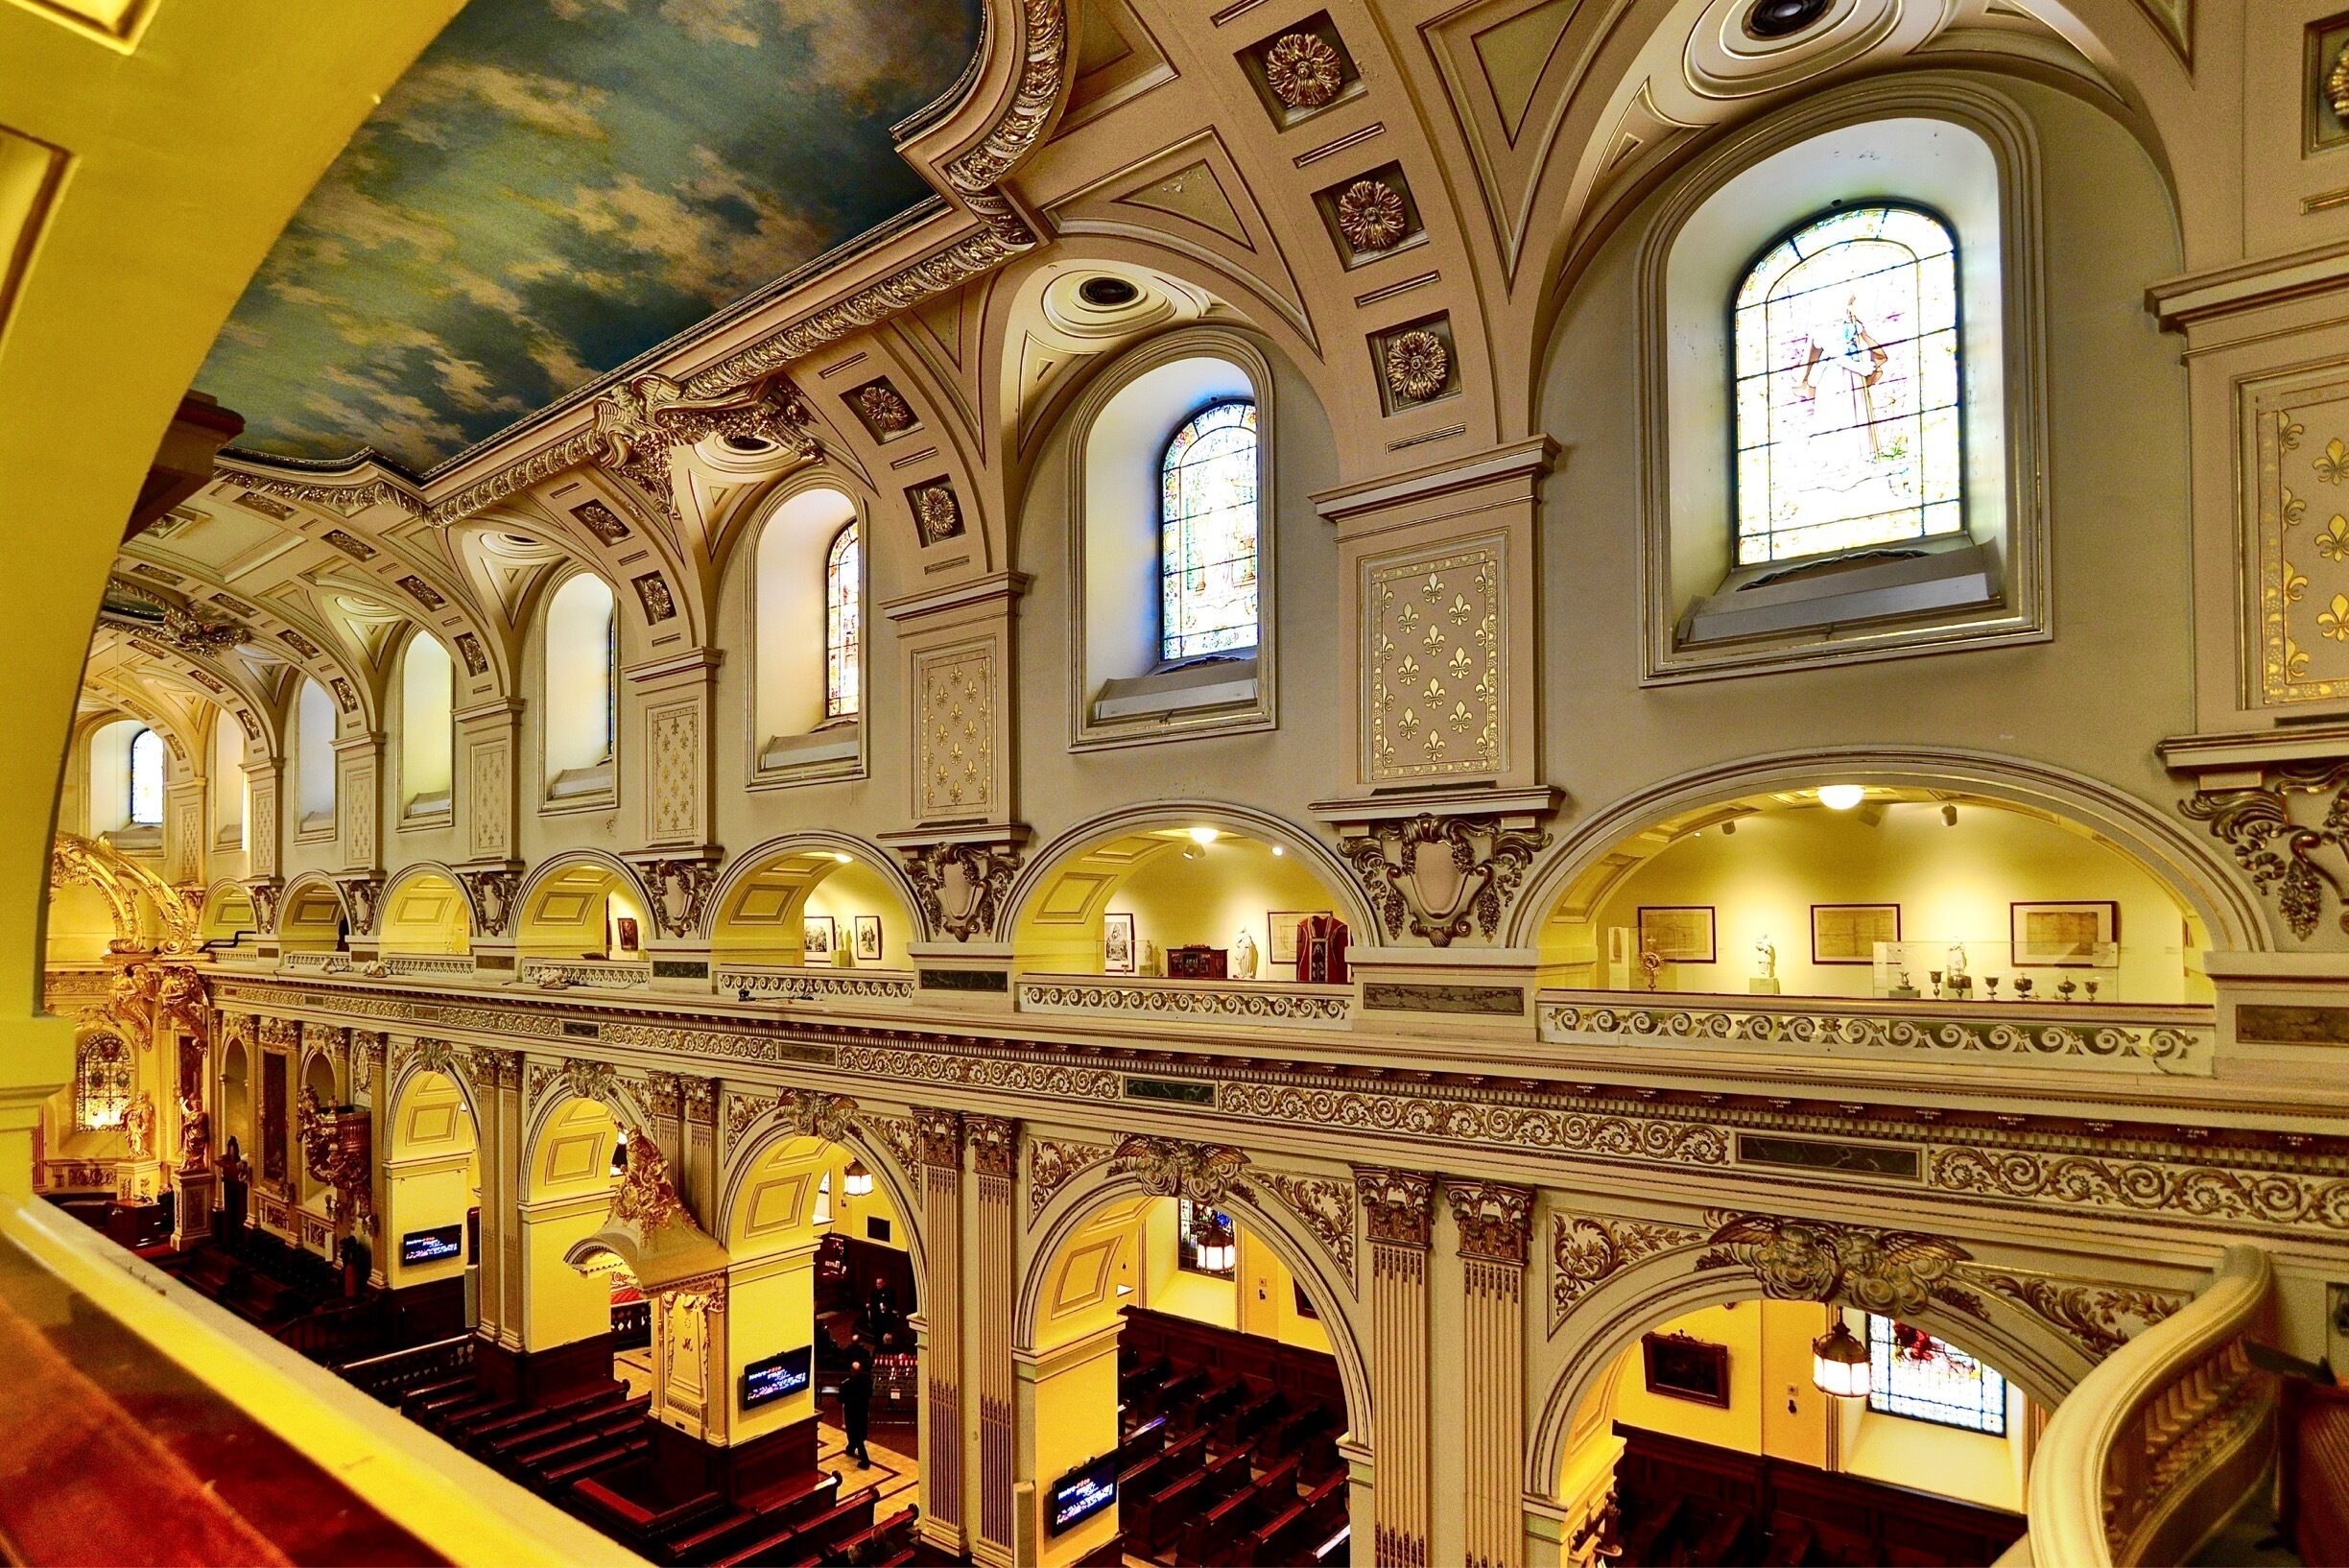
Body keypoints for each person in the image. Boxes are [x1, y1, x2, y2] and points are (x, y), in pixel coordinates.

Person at [841, 1336, 875, 1468]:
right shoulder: (867, 1380)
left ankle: (865, 1461)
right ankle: (850, 1448)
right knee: (860, 1432)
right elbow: (870, 1393)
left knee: (855, 1434)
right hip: (863, 1410)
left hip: (852, 1411)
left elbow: (841, 1399)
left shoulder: (847, 1384)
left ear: (852, 1371)